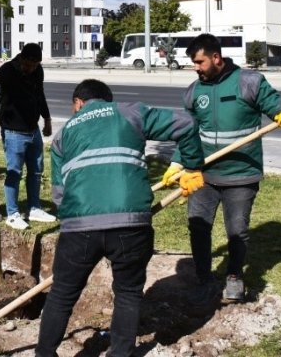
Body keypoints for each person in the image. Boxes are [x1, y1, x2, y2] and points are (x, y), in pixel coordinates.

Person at [35, 79, 206, 357]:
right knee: (127, 292)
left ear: (78, 103)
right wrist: (192, 166)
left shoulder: (62, 135)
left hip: (79, 227)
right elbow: (187, 124)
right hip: (131, 223)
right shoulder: (131, 112)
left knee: (62, 294)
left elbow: (58, 194)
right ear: (108, 100)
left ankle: (44, 354)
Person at [162, 33, 281, 305]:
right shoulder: (193, 91)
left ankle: (235, 275)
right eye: (193, 63)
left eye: (199, 62)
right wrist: (178, 163)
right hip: (202, 174)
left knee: (237, 230)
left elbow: (278, 105)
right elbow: (189, 134)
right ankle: (203, 276)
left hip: (240, 174)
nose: (195, 67)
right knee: (198, 227)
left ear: (216, 58)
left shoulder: (249, 82)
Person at [0, 42, 54, 230]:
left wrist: (47, 118)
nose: (31, 69)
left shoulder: (38, 71)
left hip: (33, 129)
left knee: (36, 171)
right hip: (13, 131)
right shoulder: (8, 70)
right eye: (28, 65)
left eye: (35, 65)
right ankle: (12, 214)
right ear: (21, 58)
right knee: (14, 173)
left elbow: (40, 94)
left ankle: (34, 208)